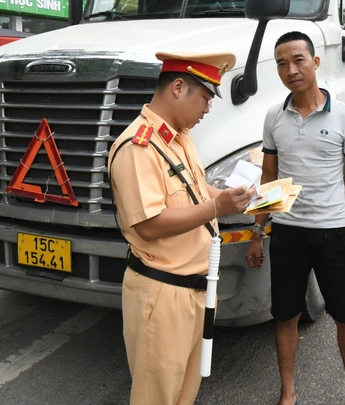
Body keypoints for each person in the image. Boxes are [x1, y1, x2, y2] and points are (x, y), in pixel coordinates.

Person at [109, 49, 256, 405]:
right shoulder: (138, 147)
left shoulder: (177, 136)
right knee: (156, 397)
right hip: (162, 295)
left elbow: (192, 185)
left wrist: (226, 196)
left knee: (184, 394)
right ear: (178, 87)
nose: (208, 109)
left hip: (195, 290)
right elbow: (150, 224)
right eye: (205, 98)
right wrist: (216, 207)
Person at [245, 31, 345, 405]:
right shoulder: (274, 117)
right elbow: (270, 178)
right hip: (287, 234)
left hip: (333, 234)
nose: (291, 70)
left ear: (316, 63)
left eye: (298, 60)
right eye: (282, 63)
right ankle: (287, 392)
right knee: (285, 317)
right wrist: (258, 232)